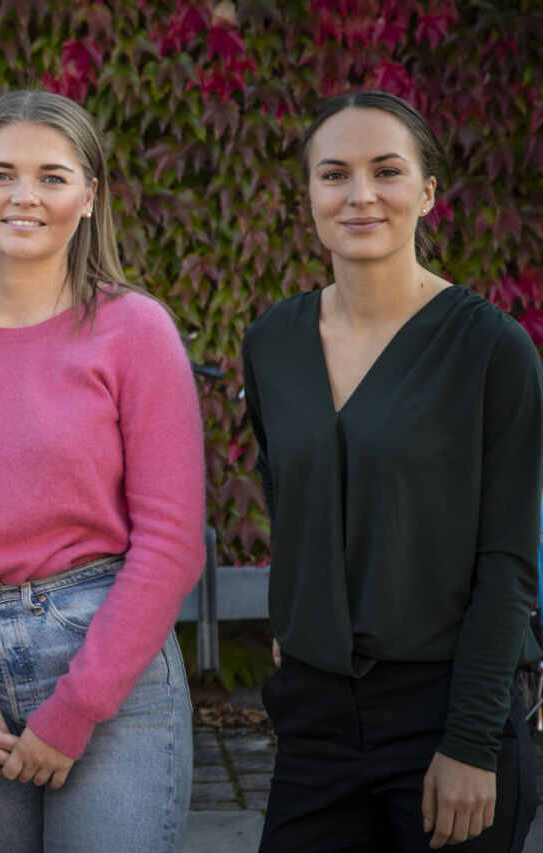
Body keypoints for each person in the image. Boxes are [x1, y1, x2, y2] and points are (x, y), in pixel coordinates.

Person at [0, 90, 206, 851]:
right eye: (2, 174)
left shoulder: (134, 331)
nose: (26, 196)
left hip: (108, 670)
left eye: (53, 177)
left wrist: (75, 709)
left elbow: (171, 543)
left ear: (89, 197)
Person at [243, 90, 543, 852]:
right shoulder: (273, 341)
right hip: (315, 715)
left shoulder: (492, 351)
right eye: (334, 174)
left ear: (428, 193)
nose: (361, 194)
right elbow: (288, 487)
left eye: (387, 171)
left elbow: (509, 560)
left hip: (446, 703)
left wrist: (472, 743)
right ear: (309, 194)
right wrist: (300, 610)